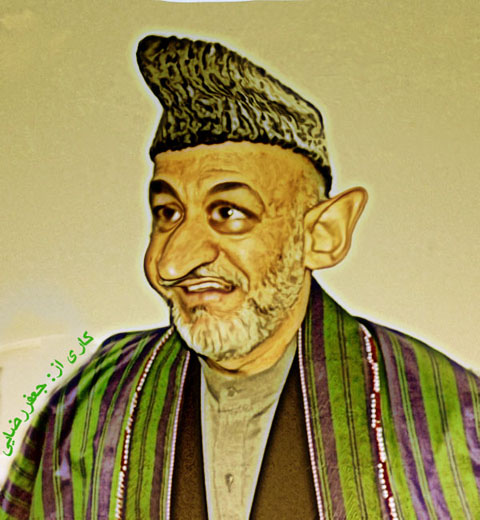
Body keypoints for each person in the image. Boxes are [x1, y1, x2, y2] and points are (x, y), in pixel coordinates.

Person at [1, 35, 479, 520]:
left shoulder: (455, 420)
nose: (171, 263)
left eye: (228, 212)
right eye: (167, 213)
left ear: (324, 234)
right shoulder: (91, 402)